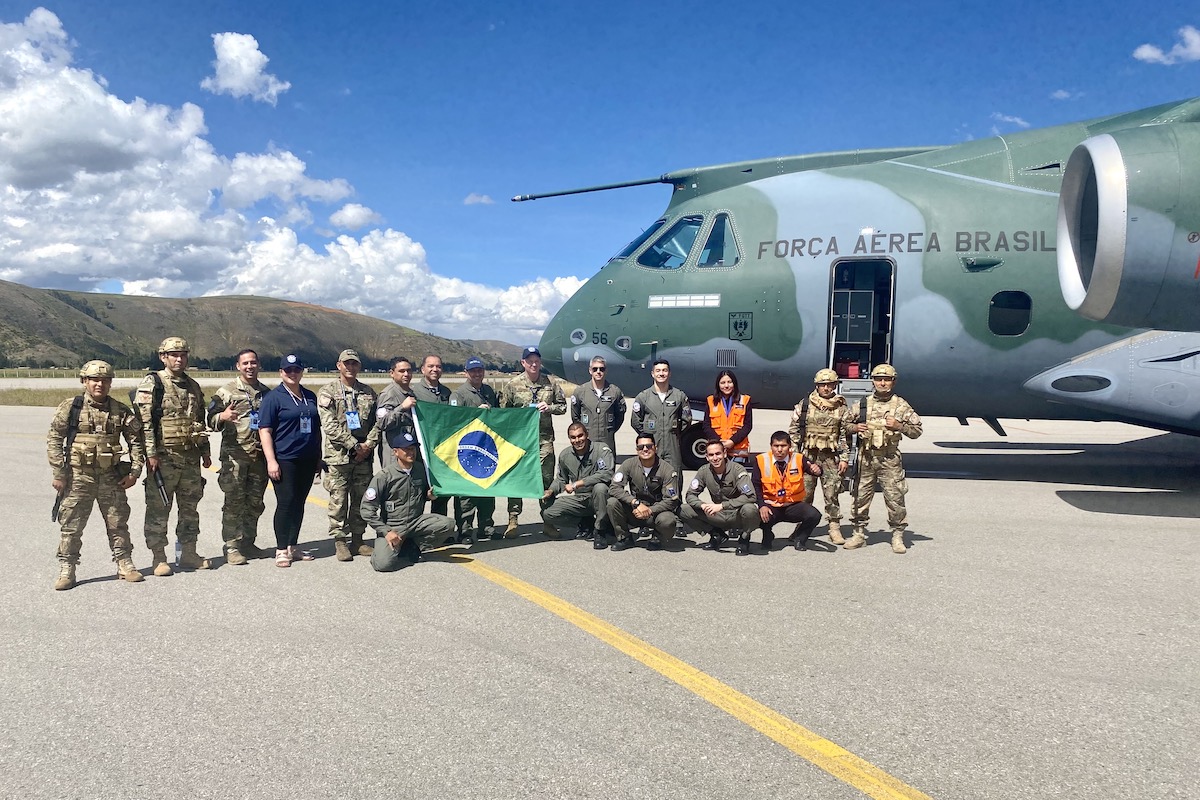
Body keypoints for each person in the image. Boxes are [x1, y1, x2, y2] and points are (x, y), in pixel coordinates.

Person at [47, 360, 146, 590]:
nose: (99, 384)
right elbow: (54, 439)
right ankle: (67, 569)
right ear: (85, 381)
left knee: (118, 523)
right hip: (78, 477)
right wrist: (59, 472)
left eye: (104, 380)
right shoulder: (71, 408)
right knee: (71, 525)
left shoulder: (121, 411)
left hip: (110, 476)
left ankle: (124, 563)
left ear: (111, 383)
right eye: (94, 380)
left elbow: (136, 444)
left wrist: (134, 472)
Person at [135, 336, 211, 575]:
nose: (179, 359)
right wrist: (151, 454)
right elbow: (144, 423)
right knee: (159, 508)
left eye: (183, 355)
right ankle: (159, 557)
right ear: (163, 357)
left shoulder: (193, 386)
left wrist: (205, 451)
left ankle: (188, 553)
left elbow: (199, 421)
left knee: (190, 507)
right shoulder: (153, 383)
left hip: (190, 456)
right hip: (164, 456)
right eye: (174, 355)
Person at [847, 363, 923, 554]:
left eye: (886, 379)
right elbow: (845, 424)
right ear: (872, 381)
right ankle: (858, 533)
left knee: (895, 498)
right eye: (879, 379)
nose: (882, 383)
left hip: (889, 460)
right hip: (866, 459)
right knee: (860, 497)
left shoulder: (901, 406)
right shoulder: (862, 404)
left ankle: (897, 535)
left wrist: (899, 426)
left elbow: (917, 431)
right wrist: (855, 428)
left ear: (893, 382)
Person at [207, 348, 270, 565]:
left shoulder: (266, 393)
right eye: (245, 364)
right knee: (234, 503)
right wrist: (222, 417)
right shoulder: (226, 392)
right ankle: (232, 546)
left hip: (259, 459)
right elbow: (210, 420)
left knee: (255, 502)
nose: (250, 367)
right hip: (235, 458)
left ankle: (248, 543)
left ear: (258, 364)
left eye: (253, 363)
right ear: (238, 366)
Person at [259, 354, 322, 567]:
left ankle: (293, 547)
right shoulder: (273, 398)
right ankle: (280, 549)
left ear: (302, 371)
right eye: (288, 370)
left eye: (296, 369)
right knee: (285, 503)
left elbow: (316, 429)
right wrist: (271, 461)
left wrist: (318, 457)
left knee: (299, 504)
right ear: (281, 372)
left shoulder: (309, 396)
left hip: (307, 458)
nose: (292, 373)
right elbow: (265, 430)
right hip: (285, 459)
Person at [361, 431, 455, 573]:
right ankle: (384, 550)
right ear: (396, 452)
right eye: (406, 449)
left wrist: (428, 496)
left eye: (413, 449)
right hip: (393, 526)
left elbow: (421, 495)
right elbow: (366, 509)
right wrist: (386, 532)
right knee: (383, 565)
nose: (411, 452)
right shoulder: (385, 476)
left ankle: (412, 545)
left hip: (415, 522)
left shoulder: (421, 470)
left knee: (447, 524)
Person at [317, 349, 380, 562]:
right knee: (339, 499)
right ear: (339, 365)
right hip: (339, 457)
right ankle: (340, 541)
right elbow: (330, 425)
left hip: (363, 457)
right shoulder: (328, 392)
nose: (350, 367)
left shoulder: (368, 392)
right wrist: (354, 446)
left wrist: (368, 445)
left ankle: (358, 539)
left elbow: (376, 423)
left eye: (354, 364)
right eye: (347, 363)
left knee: (361, 498)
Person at [498, 346, 566, 537]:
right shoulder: (512, 385)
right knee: (516, 479)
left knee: (545, 481)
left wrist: (550, 407)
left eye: (536, 360)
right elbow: (503, 413)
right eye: (530, 361)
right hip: (520, 441)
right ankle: (513, 520)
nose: (534, 364)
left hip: (544, 440)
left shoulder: (550, 384)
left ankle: (548, 521)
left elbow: (562, 407)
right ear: (523, 363)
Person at [788, 368, 856, 544]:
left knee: (832, 494)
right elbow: (794, 431)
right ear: (816, 385)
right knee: (805, 494)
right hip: (808, 456)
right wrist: (796, 457)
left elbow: (843, 435)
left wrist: (844, 457)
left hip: (830, 458)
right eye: (822, 385)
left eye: (829, 384)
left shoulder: (841, 407)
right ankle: (801, 528)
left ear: (835, 385)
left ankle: (834, 528)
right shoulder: (804, 405)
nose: (826, 388)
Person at [681, 440, 760, 555]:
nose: (715, 458)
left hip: (736, 514)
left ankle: (744, 538)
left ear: (724, 453)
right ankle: (716, 534)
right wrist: (703, 505)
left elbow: (751, 496)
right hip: (717, 515)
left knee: (750, 509)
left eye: (718, 454)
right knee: (683, 509)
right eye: (711, 455)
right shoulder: (703, 471)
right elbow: (690, 495)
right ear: (707, 457)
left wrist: (722, 506)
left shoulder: (737, 470)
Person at [450, 356, 498, 542]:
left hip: (486, 448)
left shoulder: (489, 391)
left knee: (487, 487)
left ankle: (486, 526)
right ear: (466, 372)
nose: (477, 374)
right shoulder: (459, 394)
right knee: (466, 493)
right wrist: (476, 412)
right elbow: (454, 420)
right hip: (467, 449)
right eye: (473, 371)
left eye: (480, 370)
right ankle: (465, 530)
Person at [750, 431, 823, 553]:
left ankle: (800, 538)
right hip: (771, 505)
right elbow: (756, 485)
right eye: (776, 446)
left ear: (789, 446)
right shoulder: (761, 460)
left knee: (814, 515)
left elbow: (813, 470)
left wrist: (818, 470)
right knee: (755, 515)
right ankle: (767, 535)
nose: (779, 450)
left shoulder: (798, 459)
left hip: (792, 505)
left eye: (783, 446)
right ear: (771, 446)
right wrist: (762, 505)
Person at [541, 422, 614, 544]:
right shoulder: (565, 455)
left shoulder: (601, 450)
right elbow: (561, 479)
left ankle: (601, 529)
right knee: (548, 513)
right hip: (581, 499)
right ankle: (585, 522)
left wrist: (578, 484)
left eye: (580, 436)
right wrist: (551, 490)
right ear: (569, 439)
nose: (577, 440)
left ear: (587, 435)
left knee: (600, 488)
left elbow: (607, 473)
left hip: (602, 497)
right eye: (573, 437)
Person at [606, 434, 681, 551]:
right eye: (641, 447)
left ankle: (658, 537)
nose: (645, 449)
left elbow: (671, 500)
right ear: (637, 450)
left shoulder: (667, 469)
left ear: (655, 448)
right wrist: (635, 503)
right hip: (635, 511)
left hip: (656, 514)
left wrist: (650, 510)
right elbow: (614, 488)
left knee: (668, 520)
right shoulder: (629, 464)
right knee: (612, 502)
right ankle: (624, 537)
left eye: (649, 446)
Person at [631, 359, 690, 475]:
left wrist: (673, 433)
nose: (661, 374)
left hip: (672, 446)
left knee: (674, 476)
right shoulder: (643, 397)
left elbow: (686, 420)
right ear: (652, 374)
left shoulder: (679, 396)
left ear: (669, 373)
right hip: (651, 447)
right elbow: (635, 421)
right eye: (658, 371)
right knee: (651, 476)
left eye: (664, 370)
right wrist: (648, 436)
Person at [415, 353, 452, 516]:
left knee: (440, 493)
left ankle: (440, 530)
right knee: (420, 493)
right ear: (423, 369)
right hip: (421, 451)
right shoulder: (414, 392)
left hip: (441, 451)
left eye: (438, 366)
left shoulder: (447, 392)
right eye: (430, 366)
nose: (435, 369)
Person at [570, 355, 626, 456]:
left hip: (607, 441)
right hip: (587, 441)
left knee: (608, 469)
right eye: (595, 369)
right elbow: (575, 416)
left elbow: (620, 415)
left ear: (606, 371)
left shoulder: (614, 392)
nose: (598, 372)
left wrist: (609, 430)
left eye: (602, 369)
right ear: (590, 371)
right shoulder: (580, 391)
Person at [373, 356, 418, 471]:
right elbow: (382, 422)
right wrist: (401, 407)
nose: (406, 374)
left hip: (409, 451)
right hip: (394, 453)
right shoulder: (388, 394)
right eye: (402, 371)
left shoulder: (411, 393)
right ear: (392, 373)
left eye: (409, 370)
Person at [702, 369, 753, 463]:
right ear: (718, 385)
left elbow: (747, 426)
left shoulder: (744, 400)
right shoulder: (711, 401)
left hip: (738, 452)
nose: (726, 385)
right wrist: (719, 442)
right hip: (717, 452)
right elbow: (706, 425)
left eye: (729, 382)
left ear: (734, 383)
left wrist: (732, 441)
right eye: (722, 383)